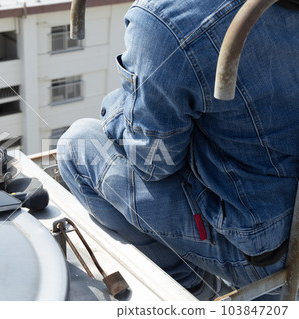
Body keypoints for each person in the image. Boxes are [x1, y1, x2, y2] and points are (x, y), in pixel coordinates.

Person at [56, 0, 299, 300]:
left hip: (271, 256)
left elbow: (152, 161)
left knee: (78, 143)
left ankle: (192, 290)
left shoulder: (167, 18)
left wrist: (117, 108)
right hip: (285, 217)